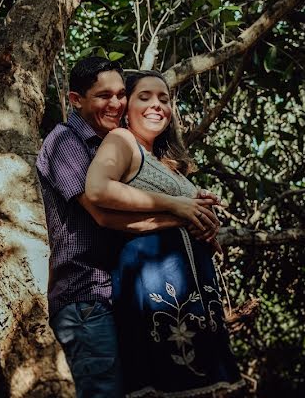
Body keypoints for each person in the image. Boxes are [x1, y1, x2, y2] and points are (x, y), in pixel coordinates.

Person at [37, 58, 220, 398]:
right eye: (104, 95)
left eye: (121, 94)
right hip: (86, 295)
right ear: (76, 99)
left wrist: (195, 215)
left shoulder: (116, 147)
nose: (116, 104)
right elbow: (103, 216)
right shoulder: (65, 142)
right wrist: (181, 214)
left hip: (120, 296)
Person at [85, 70, 244, 397]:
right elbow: (97, 189)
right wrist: (177, 205)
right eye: (145, 97)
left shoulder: (167, 162)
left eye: (164, 99)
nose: (158, 105)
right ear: (127, 106)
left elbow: (178, 217)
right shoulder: (122, 140)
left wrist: (203, 220)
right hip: (154, 290)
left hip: (198, 298)